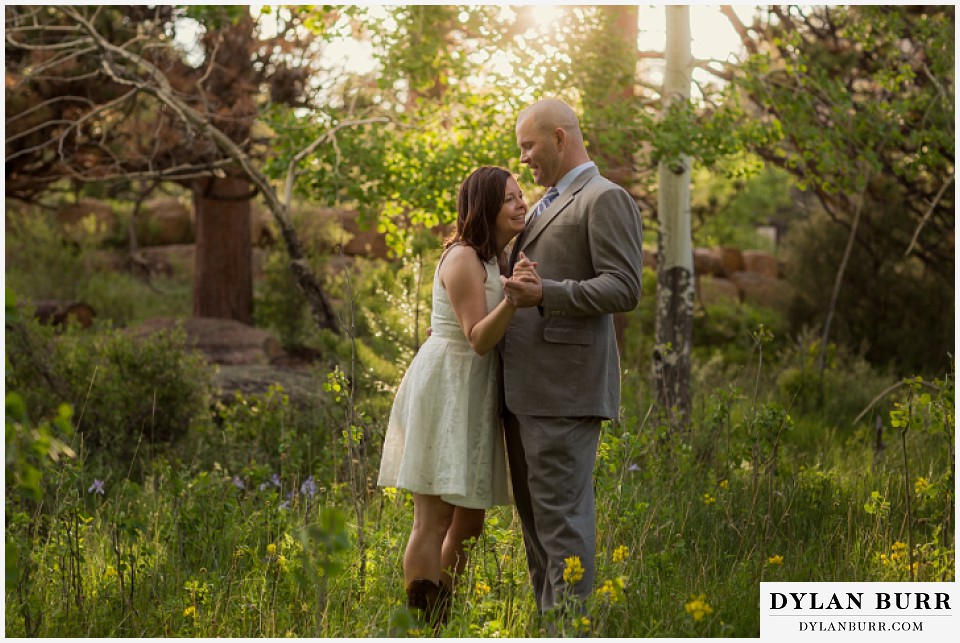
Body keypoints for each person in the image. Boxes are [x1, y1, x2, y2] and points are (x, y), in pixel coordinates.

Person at [500, 98, 644, 619]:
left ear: (560, 137)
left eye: (529, 147)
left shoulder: (604, 198)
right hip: (523, 394)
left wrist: (548, 294)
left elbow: (624, 287)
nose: (525, 161)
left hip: (563, 393)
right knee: (537, 531)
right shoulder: (541, 204)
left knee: (562, 528)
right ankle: (552, 628)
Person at [377, 166, 538, 629]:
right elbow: (478, 338)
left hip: (473, 388)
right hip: (446, 384)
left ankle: (439, 614)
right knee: (434, 517)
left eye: (521, 194)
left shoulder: (495, 258)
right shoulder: (465, 257)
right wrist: (513, 298)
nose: (521, 203)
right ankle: (424, 622)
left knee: (470, 522)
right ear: (485, 206)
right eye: (510, 198)